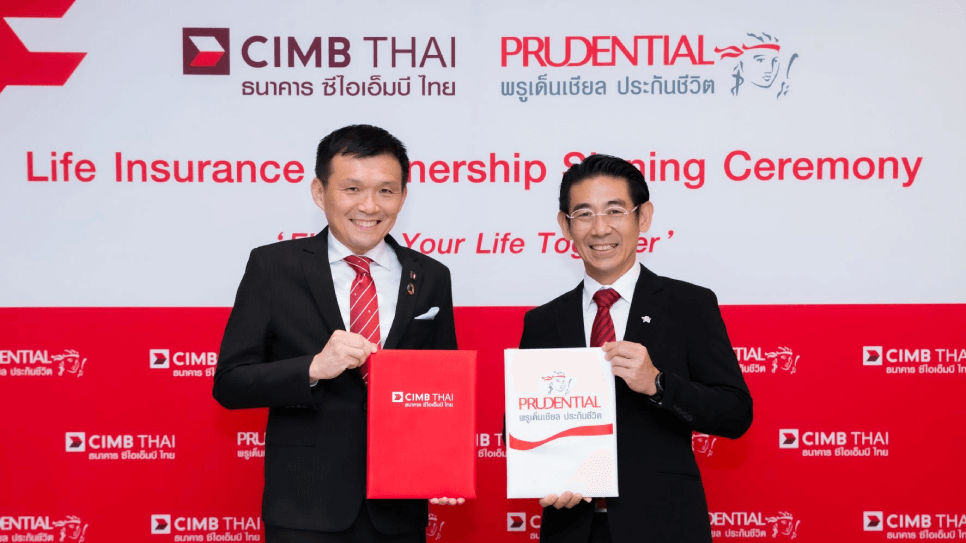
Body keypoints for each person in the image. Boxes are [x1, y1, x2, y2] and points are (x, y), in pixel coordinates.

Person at [213, 124, 459, 543]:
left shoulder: (431, 276)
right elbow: (230, 383)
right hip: (305, 507)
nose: (369, 205)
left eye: (386, 190)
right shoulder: (273, 268)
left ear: (403, 195)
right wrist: (313, 368)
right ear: (319, 191)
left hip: (399, 510)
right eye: (352, 189)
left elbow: (443, 388)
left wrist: (443, 467)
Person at [519, 154, 753, 543]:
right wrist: (548, 471)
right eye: (584, 214)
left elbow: (735, 413)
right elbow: (520, 425)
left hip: (664, 526)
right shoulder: (543, 321)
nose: (600, 229)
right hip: (571, 528)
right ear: (565, 225)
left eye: (615, 211)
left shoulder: (688, 305)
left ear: (643, 217)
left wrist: (658, 383)